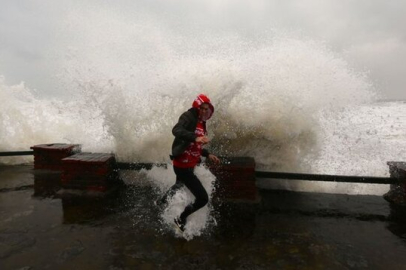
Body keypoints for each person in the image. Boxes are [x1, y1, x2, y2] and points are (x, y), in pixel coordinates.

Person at [157, 94, 220, 232]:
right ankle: (181, 218)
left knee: (179, 185)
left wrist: (207, 154)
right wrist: (195, 137)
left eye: (206, 109)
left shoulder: (201, 122)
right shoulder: (188, 117)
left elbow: (196, 145)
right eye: (201, 108)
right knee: (203, 199)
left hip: (190, 164)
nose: (204, 111)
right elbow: (176, 130)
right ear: (196, 107)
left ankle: (162, 202)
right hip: (182, 166)